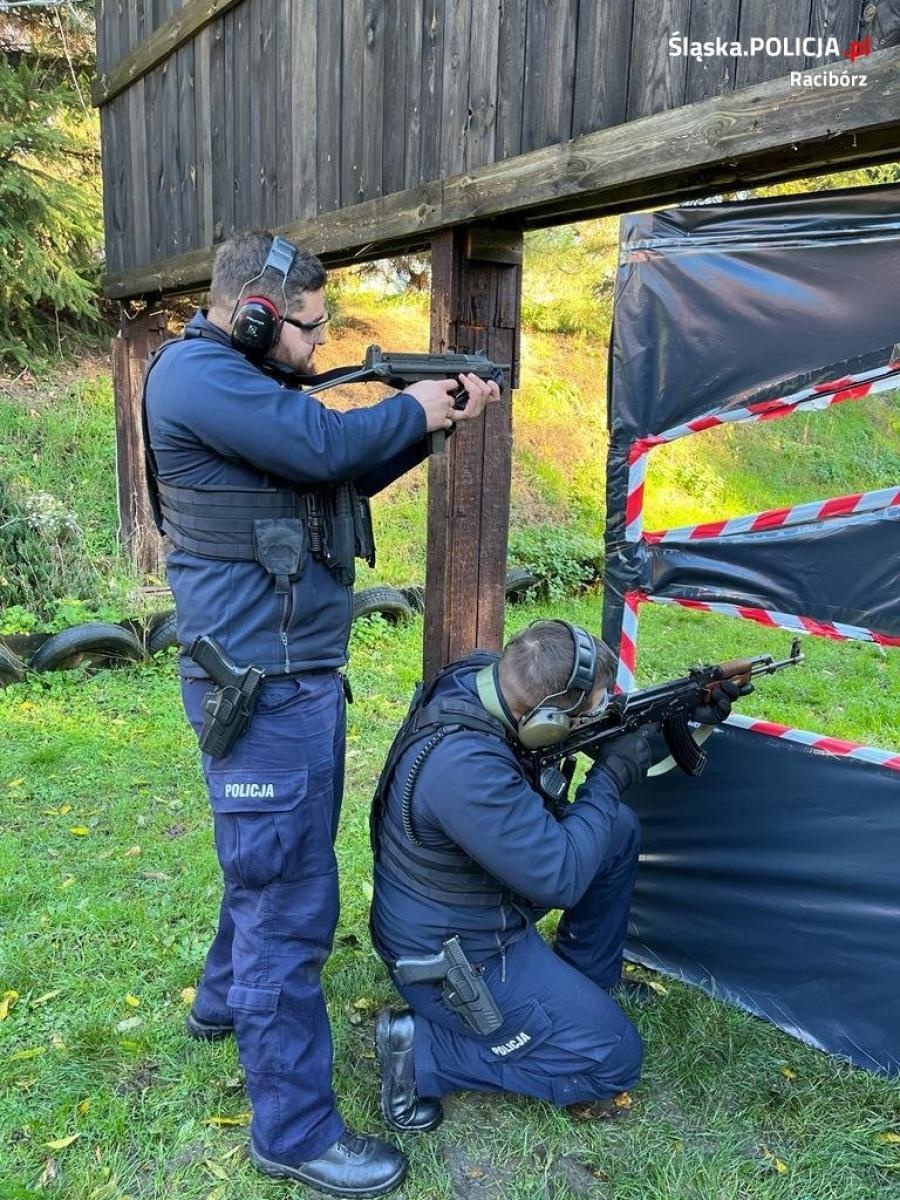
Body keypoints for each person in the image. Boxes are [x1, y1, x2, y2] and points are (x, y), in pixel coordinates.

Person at [142, 229, 499, 1198]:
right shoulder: (197, 377)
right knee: (288, 903)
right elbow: (324, 445)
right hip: (264, 688)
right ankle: (293, 1131)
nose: (317, 343)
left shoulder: (236, 383)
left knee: (272, 864)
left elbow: (330, 474)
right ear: (254, 317)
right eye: (306, 326)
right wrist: (411, 406)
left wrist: (429, 422)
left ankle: (224, 1000)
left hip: (286, 679)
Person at [370, 620, 740, 1133]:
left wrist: (677, 710)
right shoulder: (465, 767)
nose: (592, 717)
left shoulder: (488, 683)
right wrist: (608, 777)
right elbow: (560, 878)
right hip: (456, 957)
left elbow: (587, 725)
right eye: (583, 712)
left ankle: (588, 978)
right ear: (545, 719)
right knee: (613, 1059)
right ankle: (423, 1052)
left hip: (478, 896)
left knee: (615, 830)